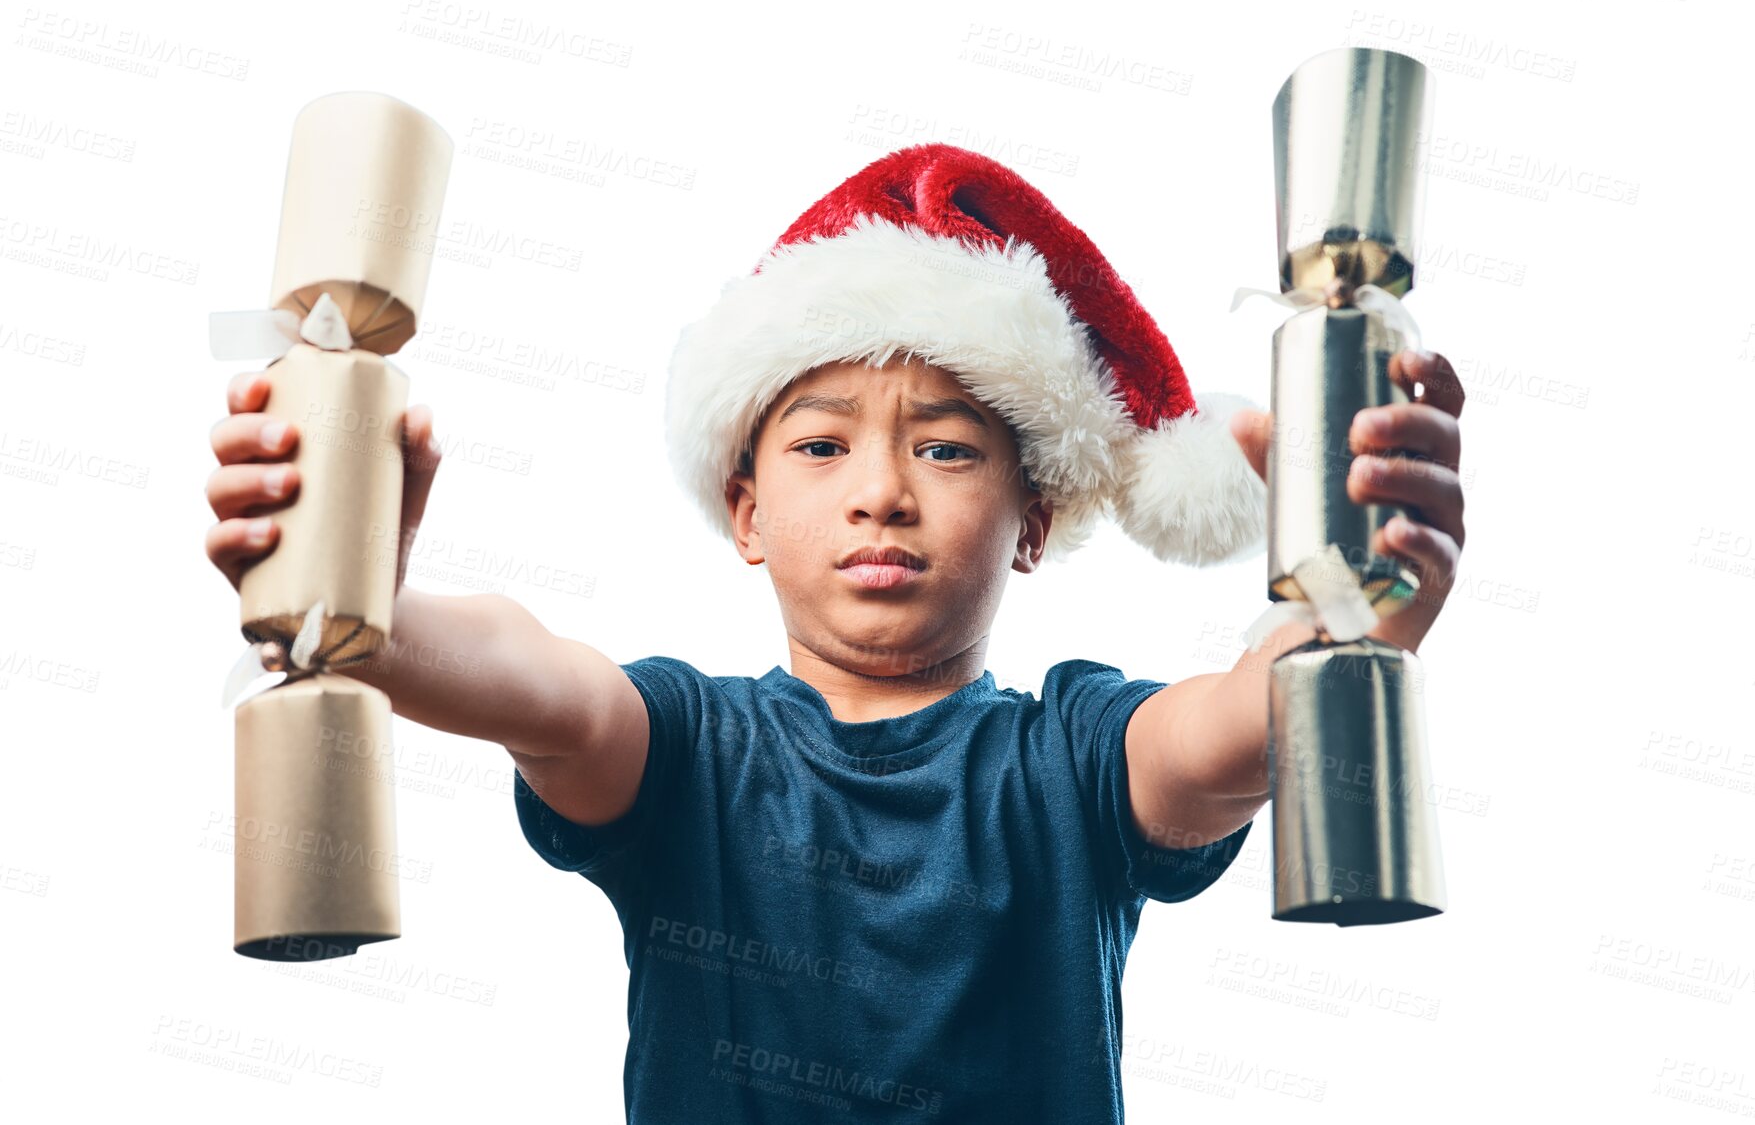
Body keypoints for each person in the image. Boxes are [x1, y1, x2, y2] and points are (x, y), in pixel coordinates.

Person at [205, 143, 1467, 1123]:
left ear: (1031, 523)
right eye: (822, 444)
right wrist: (361, 598)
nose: (883, 489)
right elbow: (541, 685)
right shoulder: (688, 748)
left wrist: (1361, 601)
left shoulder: (1075, 757)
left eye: (946, 447)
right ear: (746, 511)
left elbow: (1228, 728)